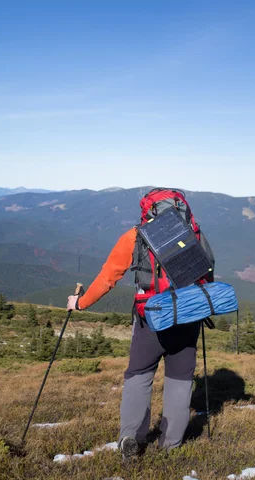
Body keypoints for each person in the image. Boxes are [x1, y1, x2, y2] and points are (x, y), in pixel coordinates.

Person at [67, 188, 213, 459]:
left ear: (147, 210)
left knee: (139, 376)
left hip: (151, 319)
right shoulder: (193, 233)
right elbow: (208, 273)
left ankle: (130, 438)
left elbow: (108, 277)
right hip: (187, 318)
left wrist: (80, 303)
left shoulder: (135, 236)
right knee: (180, 381)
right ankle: (170, 446)